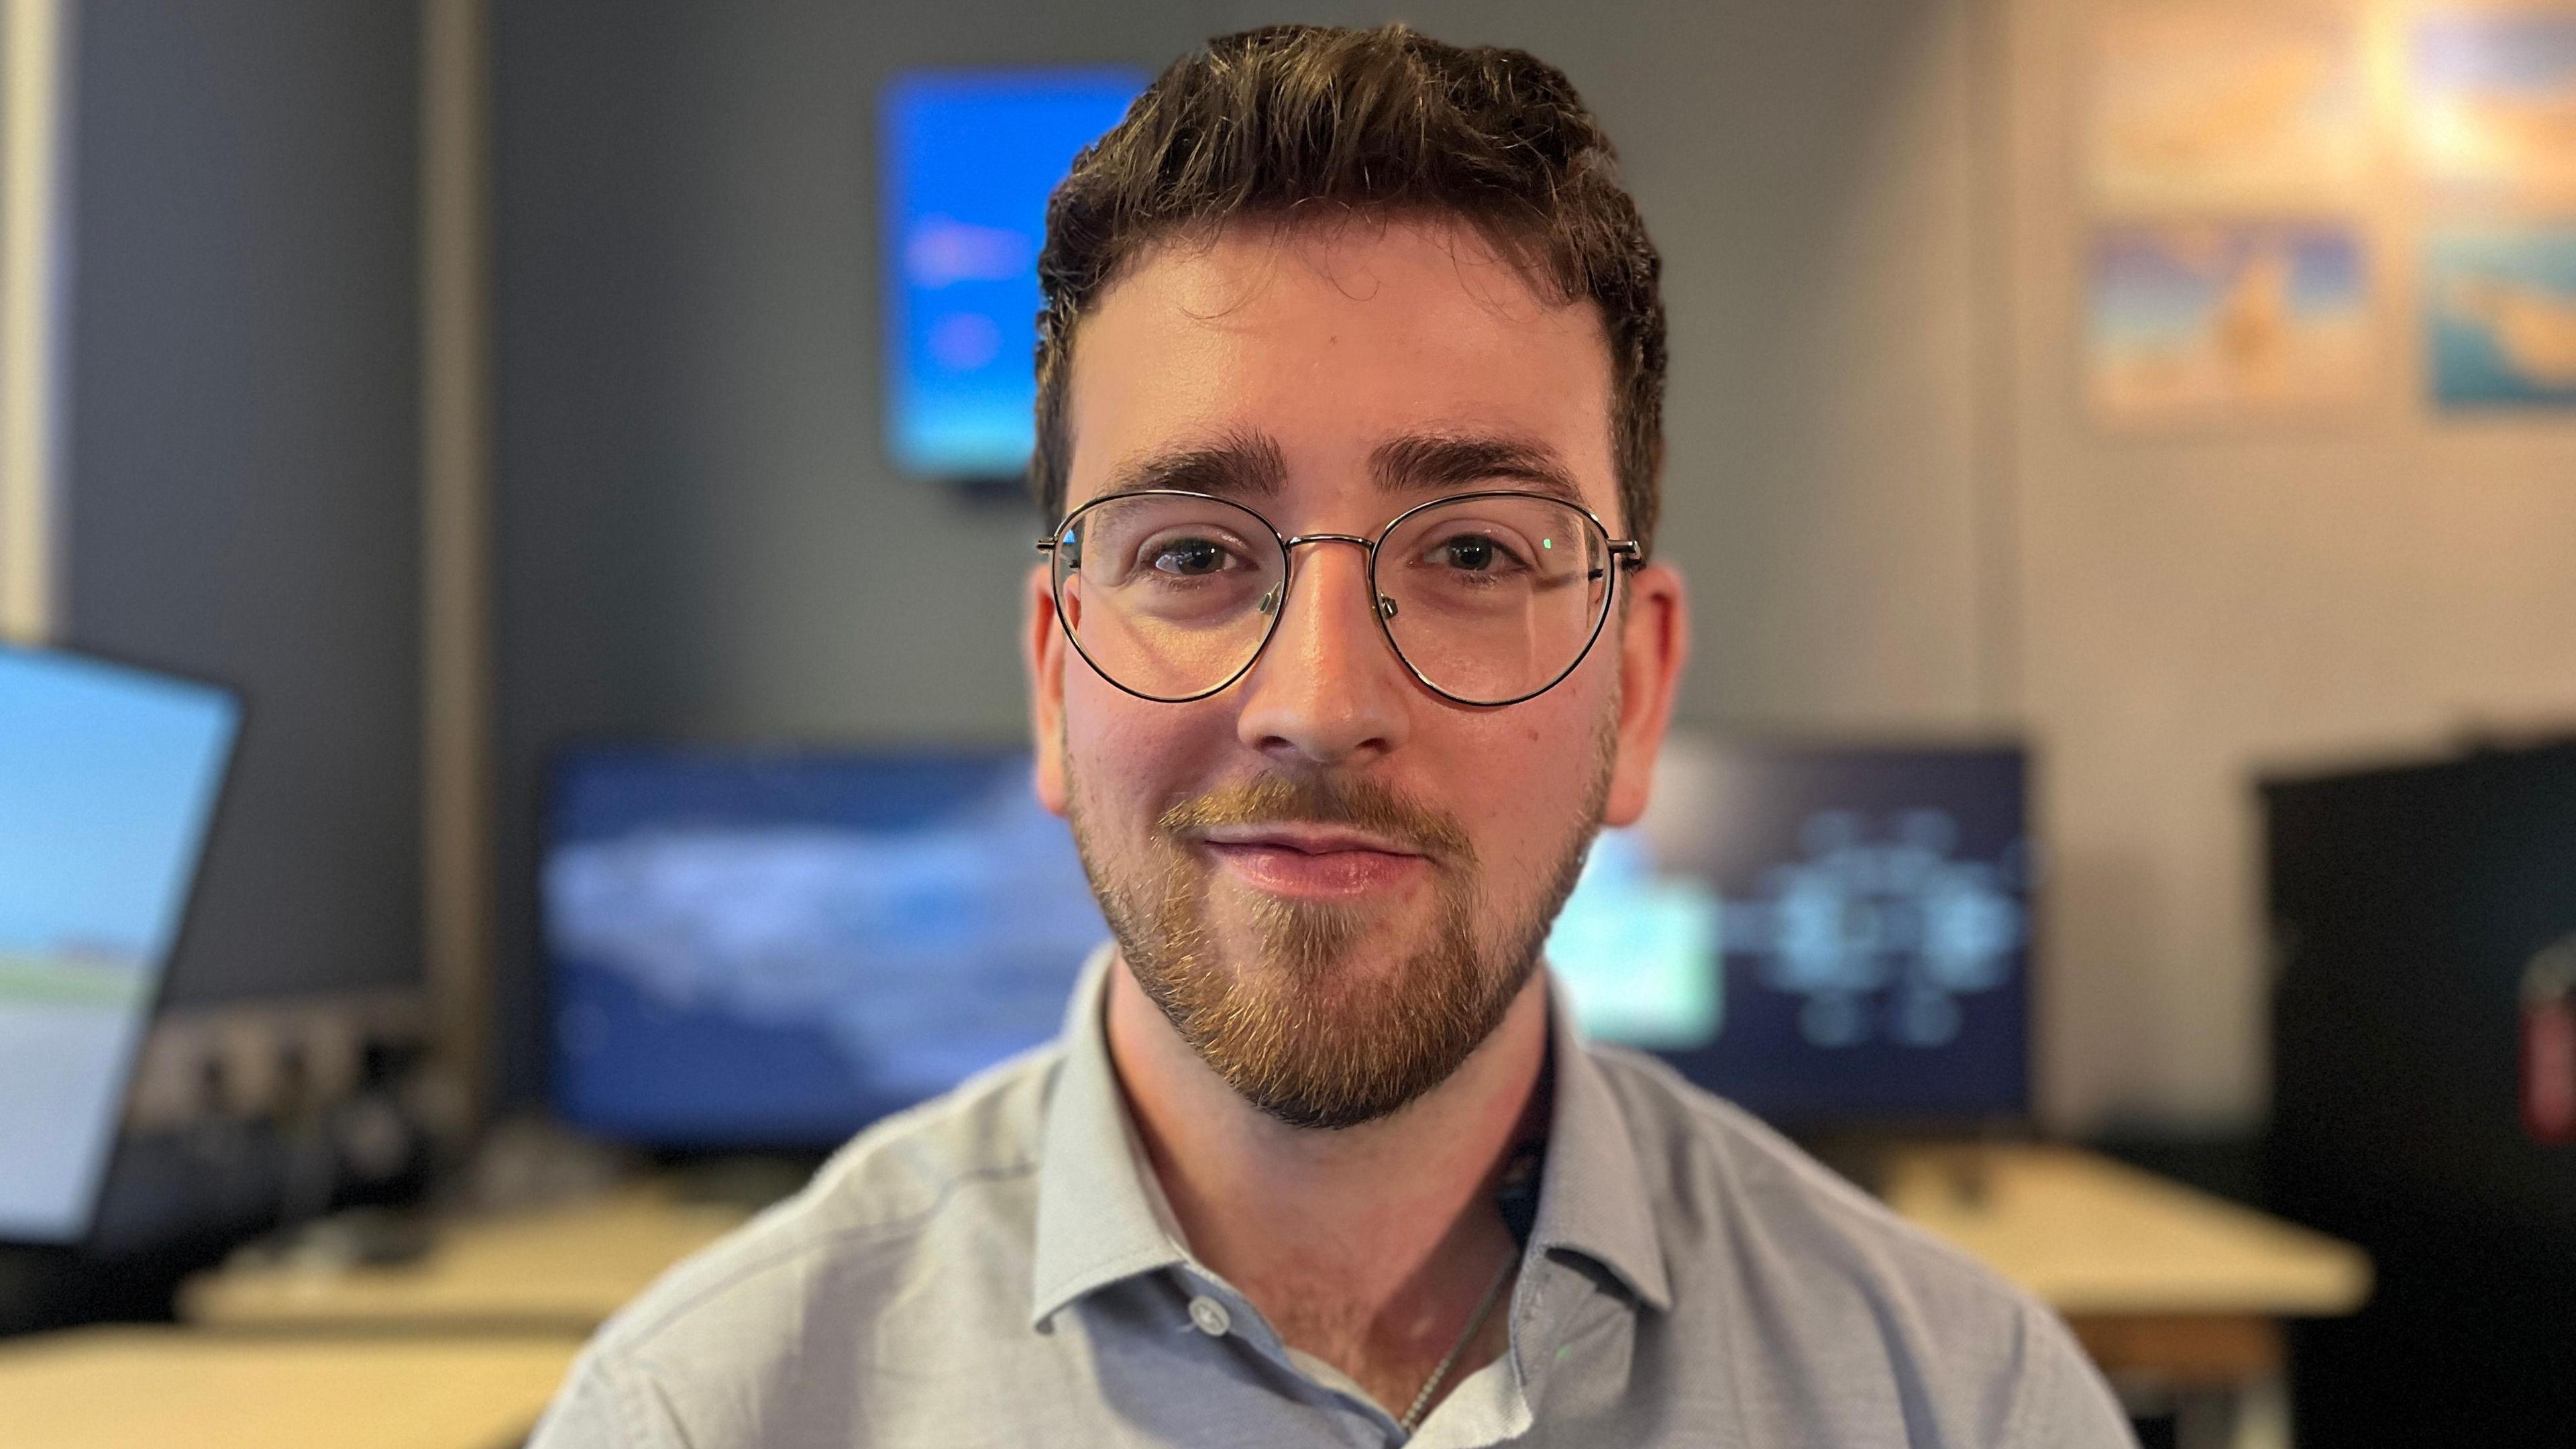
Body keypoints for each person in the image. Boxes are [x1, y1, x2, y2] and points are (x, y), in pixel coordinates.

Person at [531, 23, 2134, 1448]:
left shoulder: (1964, 1401)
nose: (1319, 704)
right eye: (1190, 555)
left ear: (1637, 693)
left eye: (1475, 555)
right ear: (1051, 672)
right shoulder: (704, 1412)